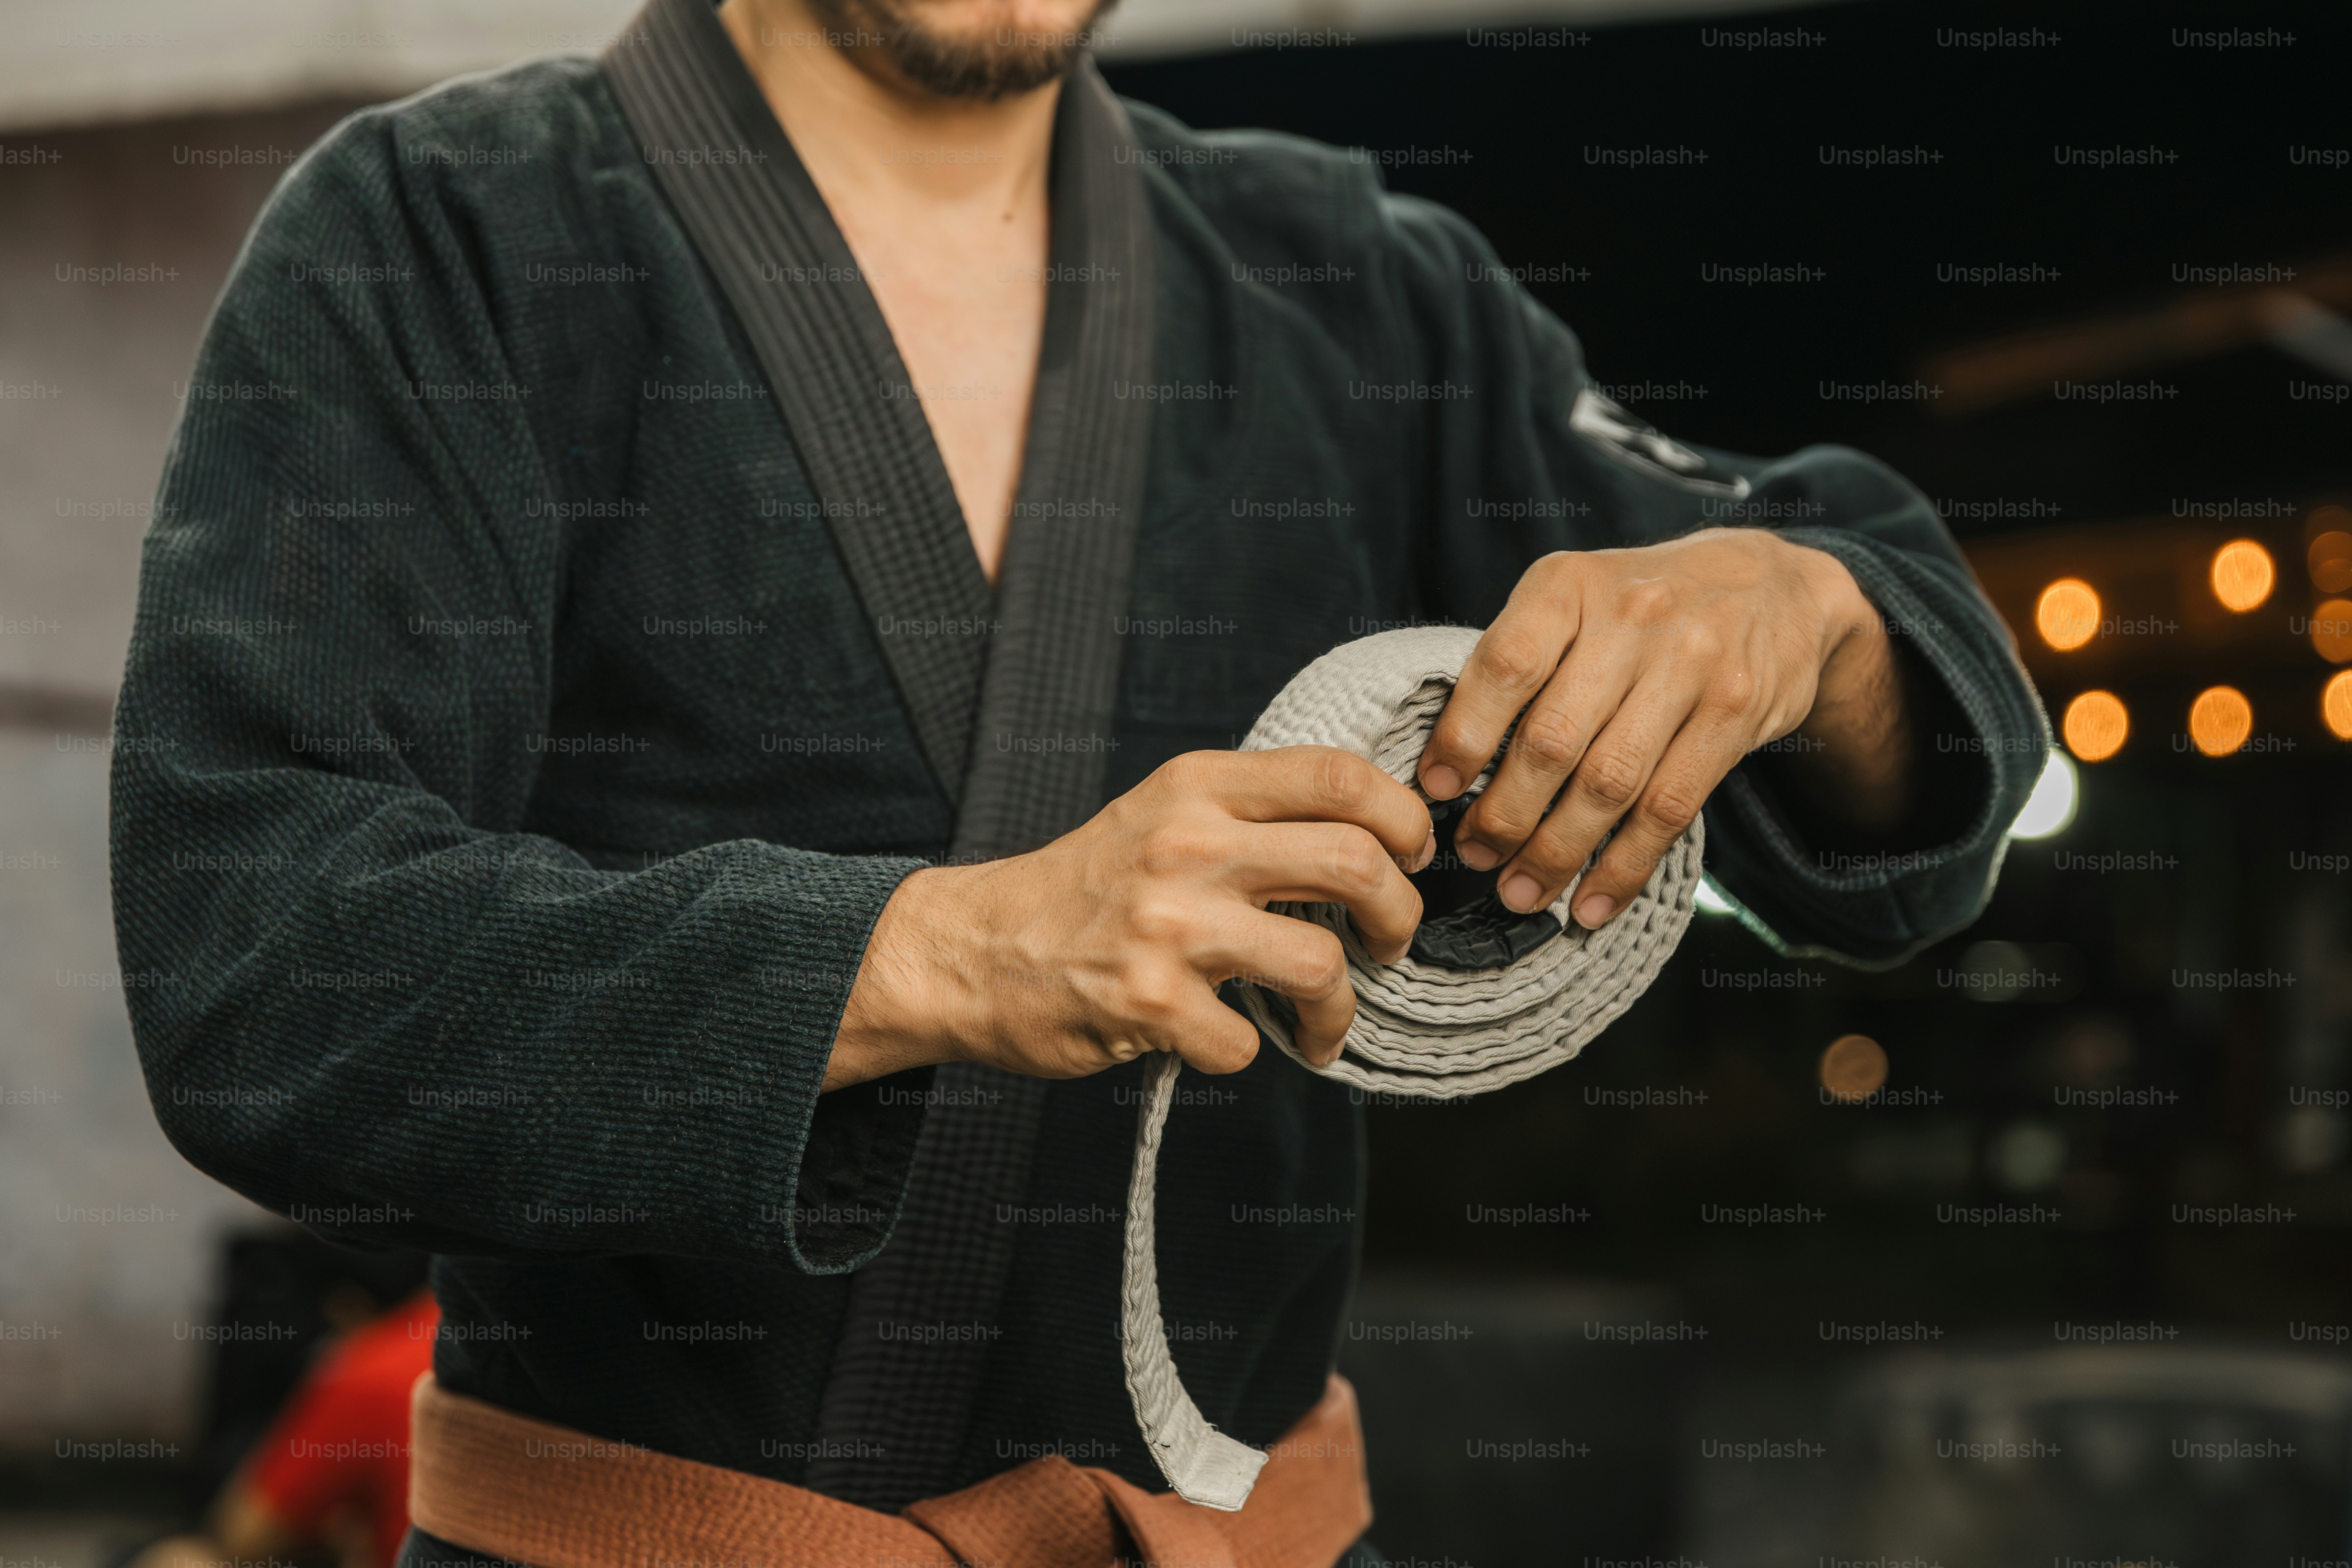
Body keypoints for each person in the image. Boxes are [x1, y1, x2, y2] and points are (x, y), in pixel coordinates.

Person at [111, 0, 2047, 1562]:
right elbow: (265, 964)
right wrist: (950, 952)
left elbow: (1899, 751)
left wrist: (1801, 617)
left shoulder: (1352, 289)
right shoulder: (439, 239)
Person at [129, 1291, 438, 1568]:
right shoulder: (452, 1343)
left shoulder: (376, 1366)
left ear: (347, 1306)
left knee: (181, 1560)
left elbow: (245, 1537)